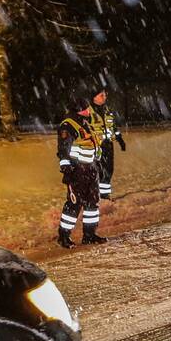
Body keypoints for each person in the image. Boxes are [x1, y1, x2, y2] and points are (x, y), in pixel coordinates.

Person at [56, 95, 107, 248]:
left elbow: (93, 145)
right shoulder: (68, 125)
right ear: (78, 109)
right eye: (85, 108)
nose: (88, 110)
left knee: (92, 203)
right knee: (74, 204)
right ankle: (63, 236)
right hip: (77, 171)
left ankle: (89, 235)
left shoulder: (85, 123)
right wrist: (66, 169)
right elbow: (63, 149)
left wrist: (98, 165)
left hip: (91, 169)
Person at [89, 89, 126, 200]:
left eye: (105, 95)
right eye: (102, 95)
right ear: (94, 97)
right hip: (96, 146)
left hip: (108, 145)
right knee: (98, 171)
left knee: (108, 170)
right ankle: (94, 195)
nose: (105, 97)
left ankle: (104, 196)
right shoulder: (88, 111)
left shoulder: (107, 110)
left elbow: (113, 127)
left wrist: (120, 140)